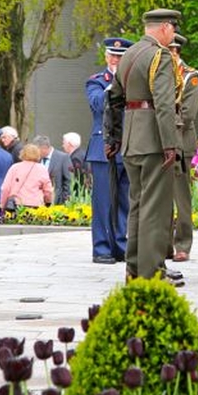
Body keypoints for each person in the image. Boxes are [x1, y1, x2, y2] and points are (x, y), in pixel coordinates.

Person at [105, 9, 182, 284]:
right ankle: (151, 273)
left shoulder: (127, 56)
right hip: (153, 141)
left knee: (137, 207)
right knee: (155, 210)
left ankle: (133, 269)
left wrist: (112, 138)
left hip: (130, 139)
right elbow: (163, 104)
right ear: (163, 28)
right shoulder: (159, 56)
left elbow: (112, 99)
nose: (173, 33)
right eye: (173, 28)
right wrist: (170, 144)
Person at [85, 37, 132, 265]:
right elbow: (97, 104)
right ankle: (101, 248)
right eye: (113, 56)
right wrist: (116, 84)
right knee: (104, 201)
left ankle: (120, 246)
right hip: (103, 147)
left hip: (128, 146)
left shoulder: (133, 82)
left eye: (121, 57)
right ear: (106, 57)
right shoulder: (97, 81)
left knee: (124, 201)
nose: (116, 60)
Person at [169, 33, 198, 262]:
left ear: (176, 51)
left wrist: (163, 122)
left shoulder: (190, 76)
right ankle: (162, 244)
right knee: (159, 199)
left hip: (181, 140)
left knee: (181, 198)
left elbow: (188, 114)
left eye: (169, 51)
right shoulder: (159, 75)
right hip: (160, 141)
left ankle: (182, 245)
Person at [0, 144, 54, 210]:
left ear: (22, 153)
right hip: (36, 205)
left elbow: (5, 188)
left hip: (16, 204)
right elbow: (48, 190)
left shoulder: (15, 168)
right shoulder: (42, 169)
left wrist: (3, 204)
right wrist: (48, 202)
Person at [33, 135, 72, 205]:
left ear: (44, 148)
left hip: (57, 202)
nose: (36, 153)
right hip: (40, 202)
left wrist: (65, 200)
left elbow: (68, 180)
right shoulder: (37, 159)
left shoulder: (63, 158)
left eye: (37, 150)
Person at [62, 131, 90, 198]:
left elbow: (76, 179)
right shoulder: (82, 154)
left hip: (79, 194)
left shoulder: (75, 158)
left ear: (70, 144)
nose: (62, 146)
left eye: (64, 143)